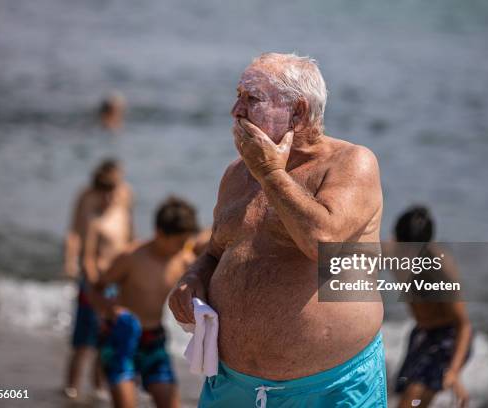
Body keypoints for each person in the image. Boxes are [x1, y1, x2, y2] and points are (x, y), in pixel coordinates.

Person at [169, 53, 386, 407]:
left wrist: (271, 174)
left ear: (298, 112)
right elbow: (214, 251)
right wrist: (192, 277)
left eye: (251, 99)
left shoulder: (351, 163)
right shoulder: (237, 174)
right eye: (238, 96)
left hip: (330, 388)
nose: (235, 110)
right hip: (230, 384)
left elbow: (322, 241)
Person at [90, 196, 200, 408]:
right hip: (121, 336)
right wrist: (110, 309)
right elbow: (95, 290)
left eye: (186, 241)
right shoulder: (131, 257)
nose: (183, 247)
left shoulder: (184, 260)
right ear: (160, 233)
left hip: (154, 339)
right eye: (179, 242)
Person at [63, 159, 134, 399]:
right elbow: (86, 254)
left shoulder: (123, 207)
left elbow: (130, 243)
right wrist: (93, 284)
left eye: (112, 192)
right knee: (84, 341)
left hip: (116, 285)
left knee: (108, 339)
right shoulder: (93, 214)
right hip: (95, 285)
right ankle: (71, 388)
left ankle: (99, 387)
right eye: (105, 193)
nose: (109, 198)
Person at [392, 206, 472, 408]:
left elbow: (463, 325)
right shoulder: (394, 253)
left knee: (412, 401)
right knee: (404, 397)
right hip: (421, 335)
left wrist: (453, 372)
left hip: (448, 338)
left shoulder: (441, 270)